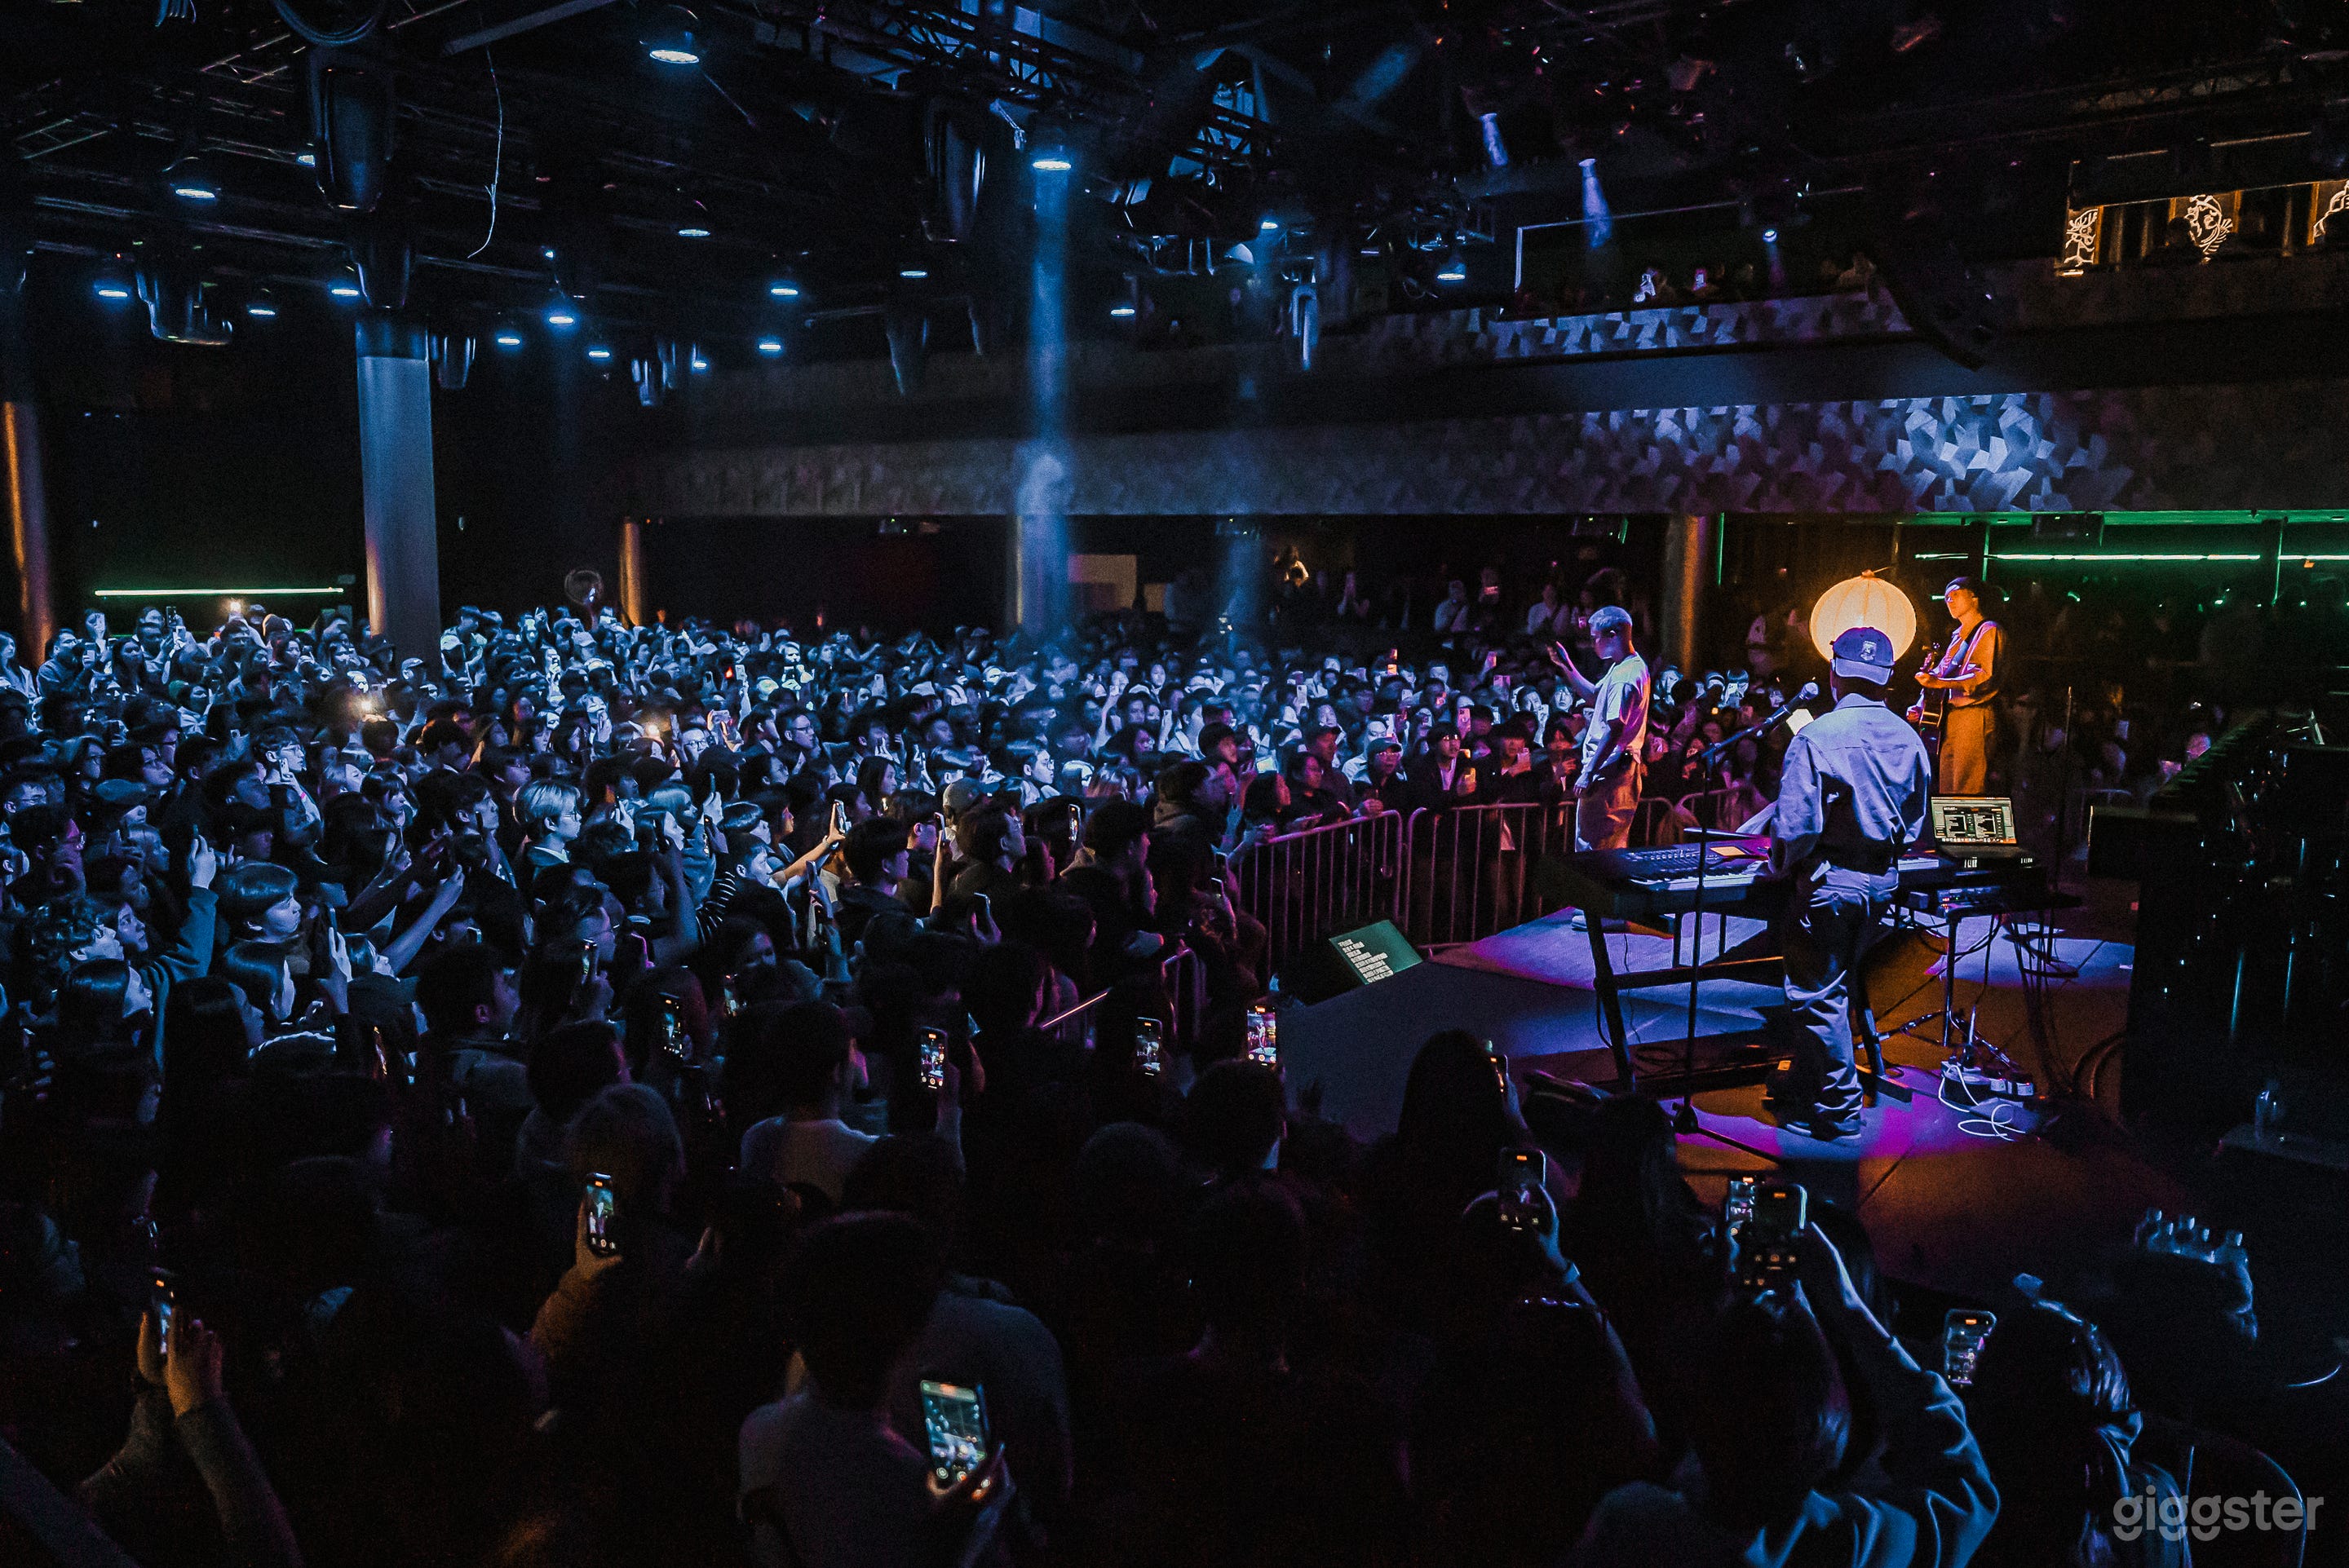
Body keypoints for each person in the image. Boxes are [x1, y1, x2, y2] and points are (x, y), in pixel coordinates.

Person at [1763, 626, 1931, 1141]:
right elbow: (1920, 820)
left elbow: (1797, 828)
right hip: (1883, 880)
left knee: (1818, 994)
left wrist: (1777, 863)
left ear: (1834, 674)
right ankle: (1811, 1086)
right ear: (1885, 679)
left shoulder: (1817, 736)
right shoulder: (1909, 736)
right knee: (1839, 985)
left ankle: (1838, 1111)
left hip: (1832, 881)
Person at [1548, 606, 1650, 853]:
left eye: (1595, 637)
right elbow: (1594, 695)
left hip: (1610, 774)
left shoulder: (1626, 676)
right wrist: (1567, 665)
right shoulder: (1623, 667)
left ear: (1613, 635)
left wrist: (1588, 772)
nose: (1592, 643)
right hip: (1614, 772)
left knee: (1596, 849)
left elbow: (1615, 729)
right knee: (1604, 846)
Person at [1913, 575, 2005, 796]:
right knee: (1948, 786)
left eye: (1955, 595)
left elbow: (1983, 676)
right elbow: (1941, 674)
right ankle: (1952, 830)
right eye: (1946, 598)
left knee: (1968, 786)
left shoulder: (1988, 630)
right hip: (1951, 718)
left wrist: (1939, 681)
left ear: (1974, 597)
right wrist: (1920, 704)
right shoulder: (1957, 637)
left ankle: (1967, 831)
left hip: (1973, 715)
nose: (1949, 601)